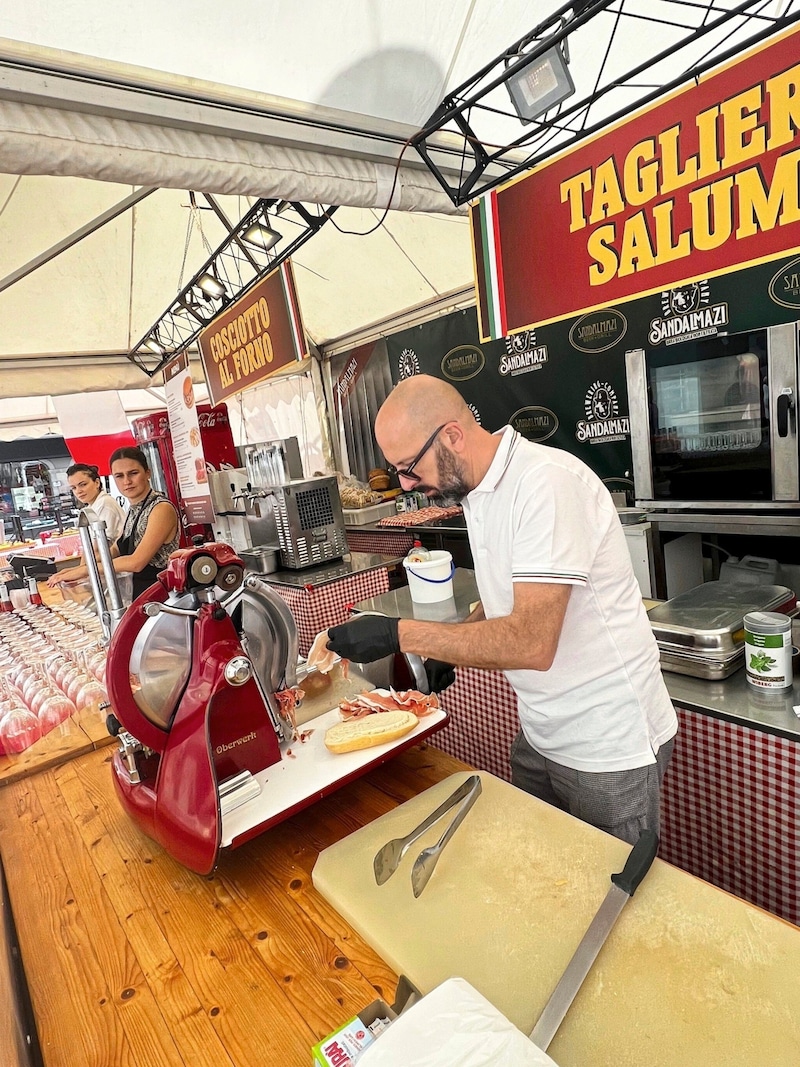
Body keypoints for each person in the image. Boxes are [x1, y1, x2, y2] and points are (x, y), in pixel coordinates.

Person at [326, 375, 678, 845]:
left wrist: (399, 634)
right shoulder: (475, 489)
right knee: (537, 873)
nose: (409, 485)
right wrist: (444, 653)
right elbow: (500, 604)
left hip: (606, 741)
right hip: (541, 730)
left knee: (609, 897)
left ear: (451, 435)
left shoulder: (545, 484)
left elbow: (532, 642)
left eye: (410, 468)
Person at [48, 447, 181, 600]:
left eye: (133, 473)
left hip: (161, 597)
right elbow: (116, 549)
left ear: (148, 473)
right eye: (119, 476)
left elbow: (136, 562)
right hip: (137, 594)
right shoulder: (133, 509)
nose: (127, 481)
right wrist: (78, 569)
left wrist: (87, 571)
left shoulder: (161, 508)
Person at [64, 462, 127, 543]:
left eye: (83, 484)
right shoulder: (91, 507)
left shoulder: (104, 503)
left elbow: (101, 546)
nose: (78, 491)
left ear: (97, 483)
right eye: (73, 488)